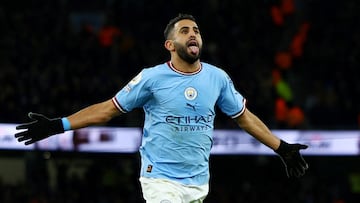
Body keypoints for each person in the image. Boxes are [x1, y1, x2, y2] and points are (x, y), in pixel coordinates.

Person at [15, 13, 309, 203]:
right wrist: (58, 125)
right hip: (160, 180)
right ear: (170, 44)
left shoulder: (217, 78)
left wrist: (280, 147)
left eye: (196, 30)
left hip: (198, 183)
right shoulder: (152, 78)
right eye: (184, 31)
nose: (193, 34)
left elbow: (244, 118)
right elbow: (108, 109)